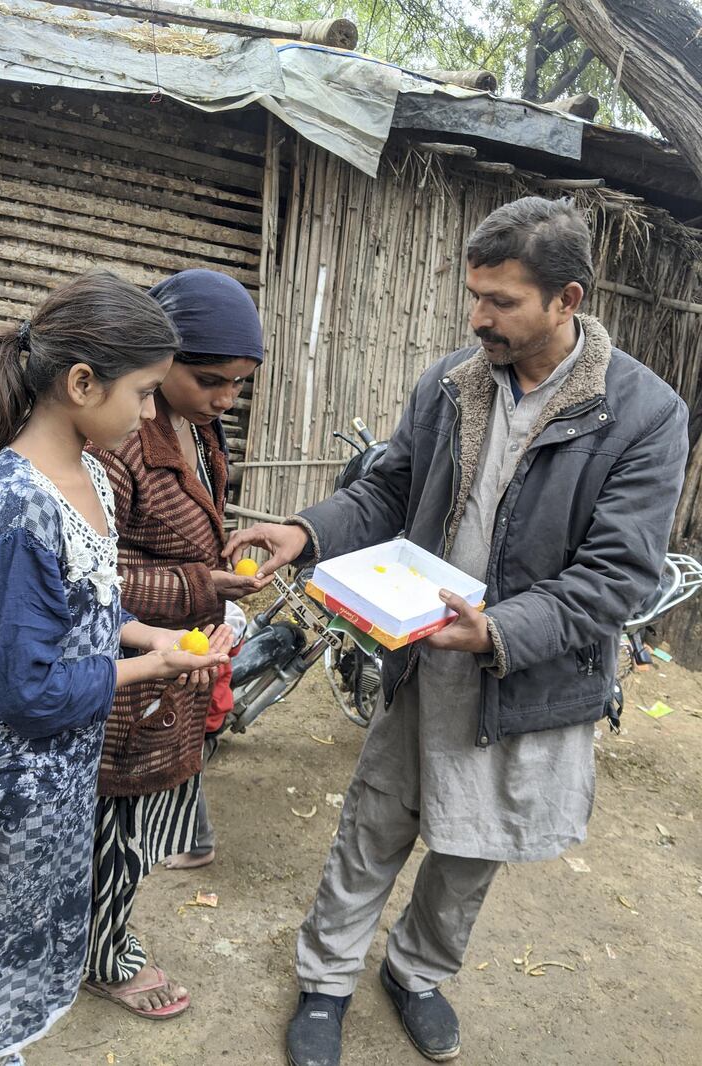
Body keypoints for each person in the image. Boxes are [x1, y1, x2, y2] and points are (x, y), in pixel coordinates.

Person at [224, 197, 689, 1065]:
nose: (479, 317)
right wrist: (308, 531)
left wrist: (498, 631)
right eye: (474, 295)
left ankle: (415, 971)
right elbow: (389, 488)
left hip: (529, 670)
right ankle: (324, 981)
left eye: (502, 301)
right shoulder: (454, 382)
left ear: (567, 300)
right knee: (375, 820)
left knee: (474, 843)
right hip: (421, 654)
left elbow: (618, 575)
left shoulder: (642, 415)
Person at [0, 272, 228, 1066]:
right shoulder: (21, 506)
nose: (152, 412)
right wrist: (147, 672)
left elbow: (93, 601)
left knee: (28, 951)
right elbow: (27, 692)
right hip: (12, 794)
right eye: (145, 392)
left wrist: (152, 635)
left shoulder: (87, 474)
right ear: (82, 383)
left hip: (60, 783)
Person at [83, 268, 265, 1018]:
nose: (227, 398)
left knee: (155, 801)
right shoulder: (119, 444)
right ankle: (102, 956)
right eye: (213, 380)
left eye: (240, 384)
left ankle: (178, 834)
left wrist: (215, 571)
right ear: (160, 361)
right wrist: (205, 584)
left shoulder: (197, 427)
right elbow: (98, 578)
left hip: (177, 660)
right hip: (132, 667)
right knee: (116, 825)